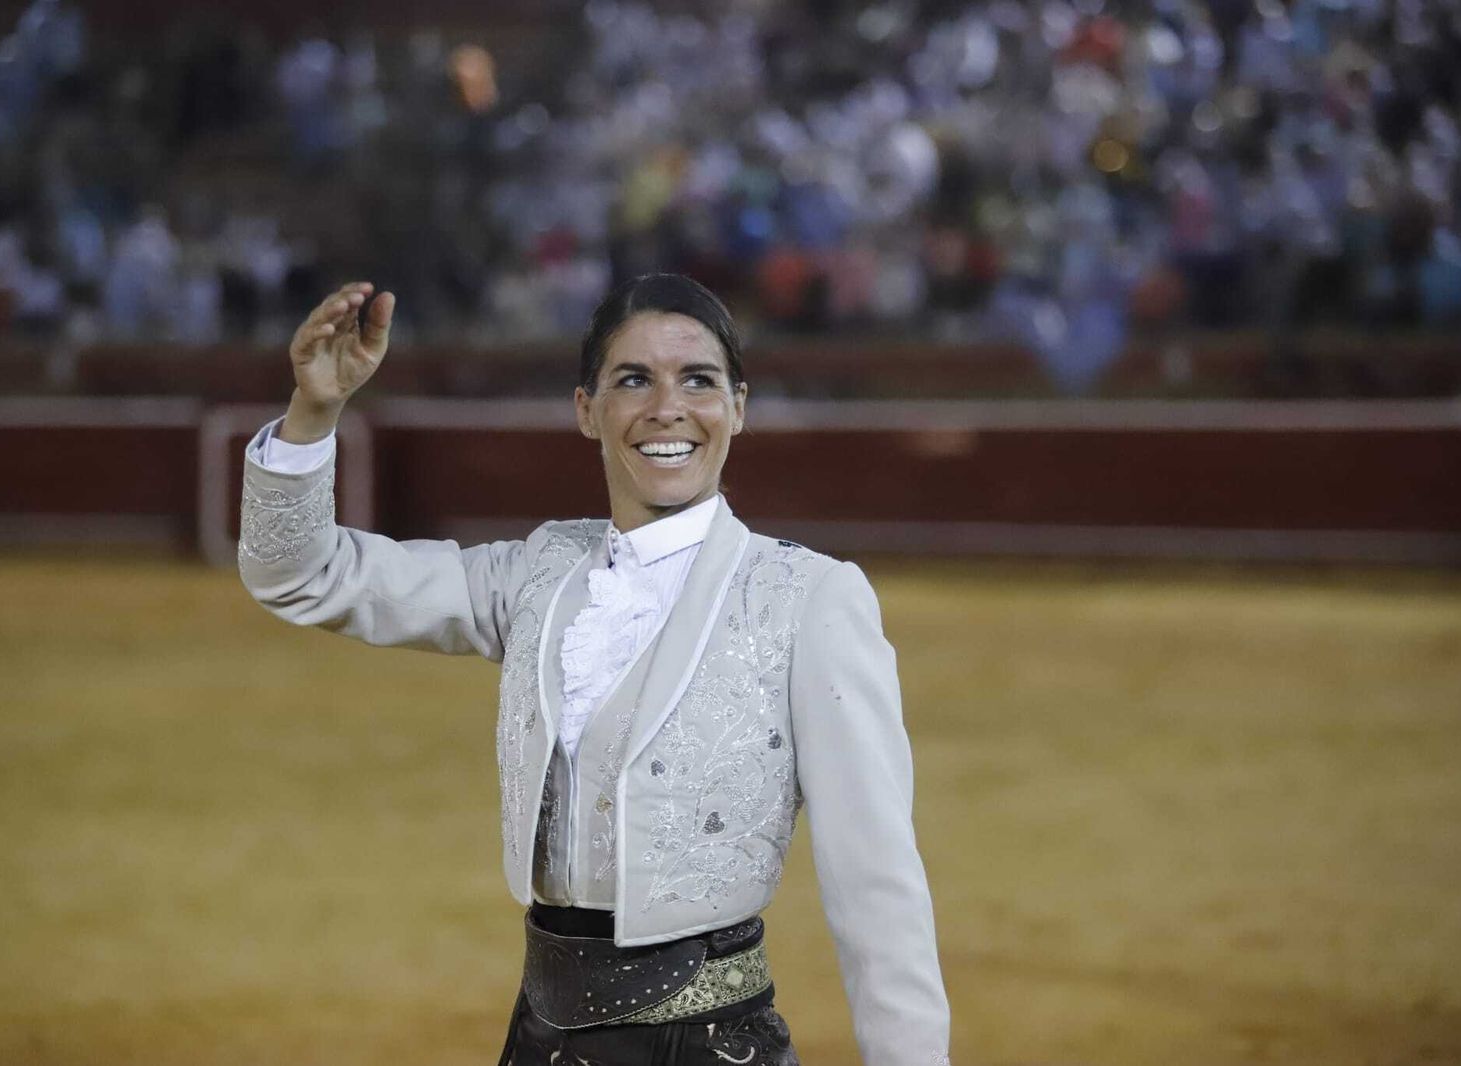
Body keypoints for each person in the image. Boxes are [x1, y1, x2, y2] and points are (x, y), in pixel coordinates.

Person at [237, 273, 950, 1064]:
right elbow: (301, 574)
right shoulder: (540, 572)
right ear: (588, 409)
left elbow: (877, 882)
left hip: (713, 1046)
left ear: (738, 408)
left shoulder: (808, 597)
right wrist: (315, 412)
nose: (667, 408)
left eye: (699, 381)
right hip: (543, 1037)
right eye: (633, 380)